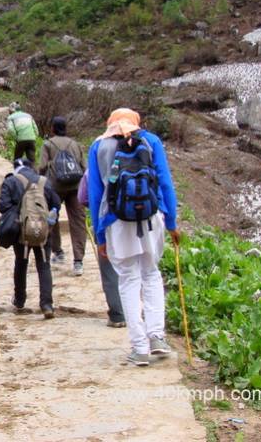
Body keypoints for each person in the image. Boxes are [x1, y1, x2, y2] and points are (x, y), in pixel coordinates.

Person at [88, 108, 179, 367]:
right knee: (151, 274)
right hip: (151, 217)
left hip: (116, 221)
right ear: (135, 122)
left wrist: (99, 235)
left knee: (128, 279)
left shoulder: (98, 147)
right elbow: (165, 182)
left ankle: (139, 348)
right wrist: (171, 221)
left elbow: (96, 195)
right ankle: (157, 337)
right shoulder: (150, 141)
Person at [0, 158, 61, 318]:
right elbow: (56, 204)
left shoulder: (11, 181)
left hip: (21, 231)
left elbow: (3, 206)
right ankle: (46, 304)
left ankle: (20, 300)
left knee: (21, 263)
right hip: (43, 231)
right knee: (44, 265)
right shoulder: (44, 181)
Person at [39, 116, 88, 276]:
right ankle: (78, 261)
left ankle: (58, 251)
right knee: (78, 222)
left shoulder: (48, 145)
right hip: (76, 186)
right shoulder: (75, 144)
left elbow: (41, 166)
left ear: (52, 128)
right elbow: (84, 166)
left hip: (55, 187)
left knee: (52, 217)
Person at [78, 168, 125, 328]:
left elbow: (83, 197)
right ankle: (136, 311)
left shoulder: (93, 169)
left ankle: (118, 315)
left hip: (105, 224)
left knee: (109, 271)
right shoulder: (136, 157)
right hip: (134, 224)